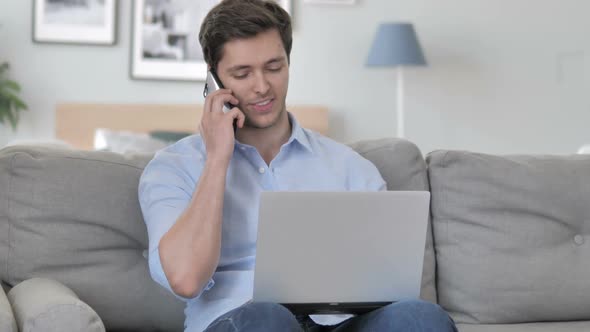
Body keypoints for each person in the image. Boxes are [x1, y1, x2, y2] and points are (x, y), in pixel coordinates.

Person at [138, 0, 458, 331]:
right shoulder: (174, 168)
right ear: (213, 78)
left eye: (274, 67)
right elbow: (186, 279)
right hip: (245, 320)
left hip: (343, 323)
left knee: (421, 317)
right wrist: (218, 158)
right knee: (267, 316)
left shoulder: (350, 168)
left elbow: (388, 285)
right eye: (242, 73)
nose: (262, 86)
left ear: (288, 64)